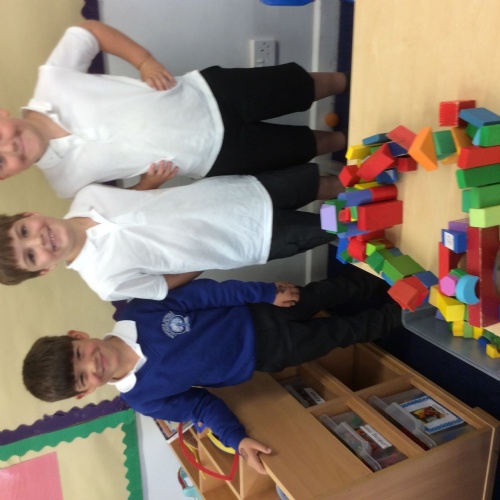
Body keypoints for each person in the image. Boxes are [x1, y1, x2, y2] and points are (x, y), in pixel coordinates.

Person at [22, 273, 402, 474]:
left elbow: (207, 295)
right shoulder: (142, 398)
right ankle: (404, 312)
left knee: (331, 291)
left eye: (79, 355)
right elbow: (200, 407)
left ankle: (388, 271)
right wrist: (236, 439)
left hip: (263, 308)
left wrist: (264, 291)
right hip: (269, 353)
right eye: (82, 377)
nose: (92, 365)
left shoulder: (138, 312)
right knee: (341, 333)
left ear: (78, 336)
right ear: (85, 393)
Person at [0, 19, 348, 198]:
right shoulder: (64, 184)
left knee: (301, 85)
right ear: (7, 176)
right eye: (0, 161)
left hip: (210, 93)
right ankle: (345, 141)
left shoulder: (52, 81)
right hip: (212, 157)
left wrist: (144, 61)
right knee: (303, 146)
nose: (9, 148)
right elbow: (116, 204)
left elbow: (87, 31)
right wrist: (147, 185)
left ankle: (350, 82)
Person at [0, 163, 344, 300]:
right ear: (44, 270)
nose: (37, 240)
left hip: (235, 194)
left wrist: (149, 182)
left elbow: (134, 201)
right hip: (248, 241)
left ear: (30, 215)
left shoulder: (87, 196)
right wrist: (206, 256)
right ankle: (365, 217)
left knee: (319, 184)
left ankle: (364, 181)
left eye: (24, 231)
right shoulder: (105, 283)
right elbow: (162, 284)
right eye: (31, 255)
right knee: (332, 225)